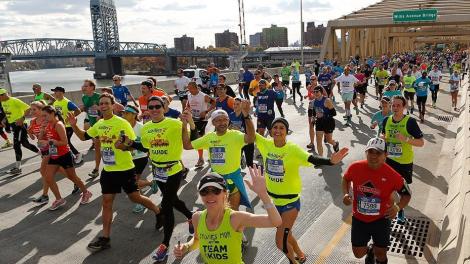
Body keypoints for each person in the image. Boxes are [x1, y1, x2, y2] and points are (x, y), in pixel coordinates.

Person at [67, 93, 162, 251]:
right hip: (109, 170)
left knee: (135, 197)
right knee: (106, 202)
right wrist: (73, 124)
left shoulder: (122, 123)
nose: (103, 106)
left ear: (113, 105)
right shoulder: (99, 123)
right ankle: (105, 238)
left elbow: (133, 145)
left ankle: (158, 212)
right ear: (98, 106)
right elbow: (84, 137)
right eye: (101, 103)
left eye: (106, 103)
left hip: (125, 169)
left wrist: (122, 146)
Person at [255, 117, 348, 263]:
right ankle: (300, 255)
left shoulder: (292, 149)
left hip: (290, 203)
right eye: (275, 127)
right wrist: (246, 115)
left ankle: (294, 261)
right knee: (287, 234)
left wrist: (329, 161)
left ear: (286, 131)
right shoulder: (266, 144)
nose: (278, 130)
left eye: (281, 128)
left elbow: (311, 159)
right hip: (274, 203)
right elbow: (250, 134)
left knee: (281, 243)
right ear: (271, 130)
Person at [117, 96, 193, 261]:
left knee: (166, 206)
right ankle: (191, 216)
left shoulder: (175, 123)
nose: (154, 110)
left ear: (164, 107)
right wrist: (129, 142)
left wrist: (189, 122)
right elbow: (145, 146)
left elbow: (190, 140)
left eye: (157, 106)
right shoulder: (146, 128)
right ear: (147, 110)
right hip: (158, 171)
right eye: (151, 107)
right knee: (173, 201)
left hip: (173, 169)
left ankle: (164, 245)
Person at [173, 169, 282, 263]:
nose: (210, 196)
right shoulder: (197, 217)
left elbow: (275, 222)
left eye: (215, 191)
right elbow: (197, 239)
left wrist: (263, 195)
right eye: (204, 191)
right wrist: (186, 247)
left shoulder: (235, 218)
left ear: (225, 193)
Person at [342, 137, 411, 264]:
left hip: (381, 219)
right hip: (359, 218)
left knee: (381, 254)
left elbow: (407, 195)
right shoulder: (355, 167)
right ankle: (370, 250)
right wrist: (346, 194)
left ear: (385, 155)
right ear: (366, 153)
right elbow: (346, 179)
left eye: (378, 153)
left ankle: (377, 253)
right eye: (370, 152)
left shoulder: (393, 175)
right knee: (358, 254)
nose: (373, 156)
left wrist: (397, 207)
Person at [182, 104, 255, 212]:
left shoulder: (236, 135)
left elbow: (251, 138)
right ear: (213, 122)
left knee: (233, 211)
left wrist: (246, 116)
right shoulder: (209, 138)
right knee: (219, 210)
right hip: (216, 180)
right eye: (218, 120)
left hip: (234, 178)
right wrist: (185, 124)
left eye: (225, 119)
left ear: (228, 121)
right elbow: (187, 146)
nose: (222, 123)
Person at [381, 95, 424, 224]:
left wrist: (405, 139)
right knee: (388, 188)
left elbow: (421, 143)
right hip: (389, 161)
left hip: (404, 161)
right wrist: (383, 138)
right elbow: (383, 135)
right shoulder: (386, 120)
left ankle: (400, 210)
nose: (395, 108)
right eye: (393, 105)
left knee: (402, 189)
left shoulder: (410, 122)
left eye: (398, 105)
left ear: (404, 107)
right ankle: (391, 211)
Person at [40, 105, 92, 210]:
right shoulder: (47, 125)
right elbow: (40, 141)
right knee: (48, 177)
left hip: (64, 155)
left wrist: (49, 142)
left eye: (45, 116)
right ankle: (59, 199)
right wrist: (42, 130)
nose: (43, 118)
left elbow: (65, 142)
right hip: (54, 155)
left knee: (72, 177)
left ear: (52, 114)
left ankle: (86, 192)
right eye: (42, 116)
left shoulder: (58, 125)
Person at [120, 104, 152, 214]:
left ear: (134, 115)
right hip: (127, 158)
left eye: (127, 113)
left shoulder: (141, 128)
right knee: (130, 182)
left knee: (134, 183)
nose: (124, 115)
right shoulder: (122, 127)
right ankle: (150, 184)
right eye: (123, 113)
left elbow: (147, 145)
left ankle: (140, 203)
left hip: (140, 158)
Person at [0, 88, 40, 174]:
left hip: (20, 125)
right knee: (25, 143)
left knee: (16, 145)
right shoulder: (3, 102)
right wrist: (4, 120)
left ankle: (17, 168)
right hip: (13, 125)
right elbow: (8, 113)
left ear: (3, 95)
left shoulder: (14, 100)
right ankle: (43, 154)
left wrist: (22, 119)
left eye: (0, 96)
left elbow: (28, 108)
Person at [187, 81, 215, 168]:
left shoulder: (203, 96)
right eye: (188, 88)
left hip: (203, 120)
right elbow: (188, 104)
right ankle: (207, 156)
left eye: (191, 88)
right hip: (194, 119)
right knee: (199, 139)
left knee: (200, 138)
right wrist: (187, 110)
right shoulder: (189, 95)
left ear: (196, 88)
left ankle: (201, 159)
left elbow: (214, 103)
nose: (190, 90)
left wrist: (206, 111)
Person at [51, 86, 83, 164]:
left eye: (56, 91)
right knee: (61, 142)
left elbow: (78, 111)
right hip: (60, 126)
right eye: (54, 91)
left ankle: (78, 154)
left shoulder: (67, 102)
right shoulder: (55, 102)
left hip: (68, 126)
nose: (54, 93)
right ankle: (66, 157)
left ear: (61, 92)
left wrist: (70, 118)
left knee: (66, 141)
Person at [28, 101, 51, 204]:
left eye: (34, 109)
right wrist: (29, 132)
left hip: (51, 149)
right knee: (61, 170)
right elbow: (33, 137)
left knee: (43, 171)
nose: (31, 111)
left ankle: (45, 195)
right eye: (31, 109)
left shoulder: (47, 120)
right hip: (43, 149)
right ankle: (77, 183)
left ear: (41, 110)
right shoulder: (32, 122)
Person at [80, 80, 102, 178]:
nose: (83, 87)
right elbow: (87, 109)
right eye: (83, 86)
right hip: (94, 126)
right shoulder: (84, 97)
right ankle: (96, 169)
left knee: (111, 148)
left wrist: (100, 113)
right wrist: (82, 108)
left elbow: (109, 108)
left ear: (92, 87)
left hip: (103, 126)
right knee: (98, 148)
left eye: (86, 86)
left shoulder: (99, 97)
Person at [312, 86, 340, 156]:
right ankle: (320, 158)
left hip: (328, 122)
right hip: (319, 122)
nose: (315, 93)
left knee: (329, 140)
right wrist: (313, 117)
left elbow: (334, 113)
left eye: (317, 91)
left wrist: (323, 115)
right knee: (318, 142)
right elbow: (314, 111)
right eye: (314, 92)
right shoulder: (314, 101)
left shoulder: (327, 100)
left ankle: (335, 144)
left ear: (321, 92)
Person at [228, 98, 254, 169]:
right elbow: (228, 127)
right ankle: (241, 159)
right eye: (234, 104)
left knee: (250, 165)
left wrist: (237, 128)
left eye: (237, 104)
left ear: (242, 105)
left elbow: (250, 127)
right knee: (235, 162)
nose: (235, 105)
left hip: (247, 141)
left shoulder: (245, 115)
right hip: (237, 141)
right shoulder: (231, 115)